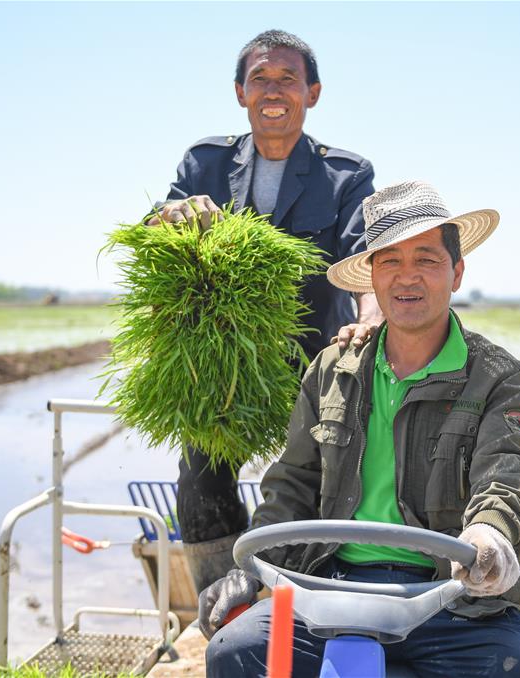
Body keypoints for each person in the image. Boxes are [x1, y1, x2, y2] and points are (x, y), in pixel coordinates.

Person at [201, 181, 520, 678]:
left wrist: (488, 534)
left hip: (450, 595)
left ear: (456, 273)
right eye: (389, 261)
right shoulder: (332, 369)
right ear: (371, 278)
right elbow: (292, 484)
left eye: (426, 260)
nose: (406, 277)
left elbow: (510, 475)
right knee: (233, 652)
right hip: (329, 588)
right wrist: (248, 566)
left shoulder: (500, 377)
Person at [146, 29, 382, 592]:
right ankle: (220, 599)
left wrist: (371, 312)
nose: (273, 90)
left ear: (313, 92)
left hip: (314, 359)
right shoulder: (206, 163)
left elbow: (364, 259)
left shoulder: (346, 174)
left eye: (287, 79)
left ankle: (298, 600)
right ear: (239, 92)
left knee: (319, 478)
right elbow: (152, 226)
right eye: (260, 79)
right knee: (200, 477)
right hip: (220, 359)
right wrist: (173, 215)